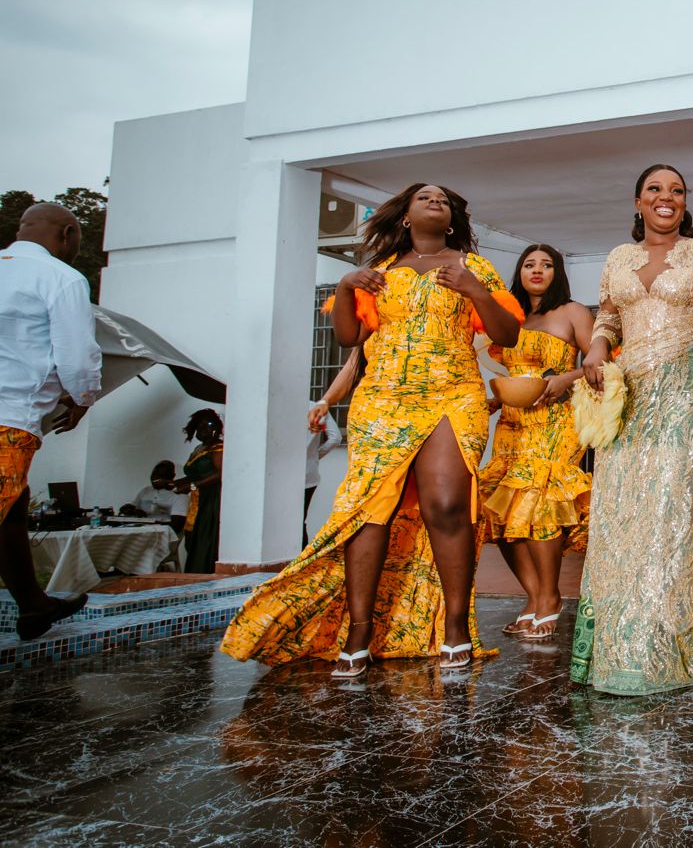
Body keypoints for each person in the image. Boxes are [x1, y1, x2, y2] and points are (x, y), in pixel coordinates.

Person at [222, 183, 522, 675]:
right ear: (404, 216)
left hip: (453, 394)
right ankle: (359, 629)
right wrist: (345, 286)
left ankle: (455, 626)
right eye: (424, 197)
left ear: (452, 220)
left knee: (447, 504)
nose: (435, 201)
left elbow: (507, 334)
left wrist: (474, 290)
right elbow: (348, 337)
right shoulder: (377, 272)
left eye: (444, 200)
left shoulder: (473, 267)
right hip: (383, 399)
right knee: (370, 510)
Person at [571, 164, 693, 695]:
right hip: (630, 392)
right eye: (655, 189)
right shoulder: (618, 258)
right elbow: (608, 319)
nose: (665, 197)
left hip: (684, 390)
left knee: (671, 508)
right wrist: (596, 350)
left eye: (676, 190)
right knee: (624, 509)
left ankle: (669, 645)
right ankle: (620, 640)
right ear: (638, 201)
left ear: (685, 201)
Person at [480, 243, 593, 640]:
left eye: (547, 264)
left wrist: (566, 378)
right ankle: (534, 597)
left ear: (558, 272)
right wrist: (496, 400)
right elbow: (514, 373)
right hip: (512, 424)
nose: (537, 270)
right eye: (529, 264)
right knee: (497, 510)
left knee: (541, 505)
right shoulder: (511, 317)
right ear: (520, 272)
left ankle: (550, 599)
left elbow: (602, 362)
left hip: (557, 419)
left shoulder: (573, 312)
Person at [0, 202, 101, 639]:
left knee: (12, 510)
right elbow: (76, 357)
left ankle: (32, 604)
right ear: (67, 234)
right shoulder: (61, 278)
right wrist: (82, 397)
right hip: (8, 419)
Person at [305, 351, 360, 546]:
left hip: (285, 474)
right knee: (301, 520)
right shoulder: (312, 406)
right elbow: (335, 438)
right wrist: (315, 455)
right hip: (309, 473)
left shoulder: (290, 409)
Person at [176, 409, 225, 573]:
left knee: (206, 539)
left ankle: (205, 574)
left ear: (217, 427)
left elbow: (221, 474)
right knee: (193, 538)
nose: (204, 429)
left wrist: (193, 486)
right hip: (197, 500)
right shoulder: (199, 449)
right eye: (200, 426)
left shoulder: (218, 448)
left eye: (209, 424)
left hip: (212, 500)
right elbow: (193, 475)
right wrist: (173, 484)